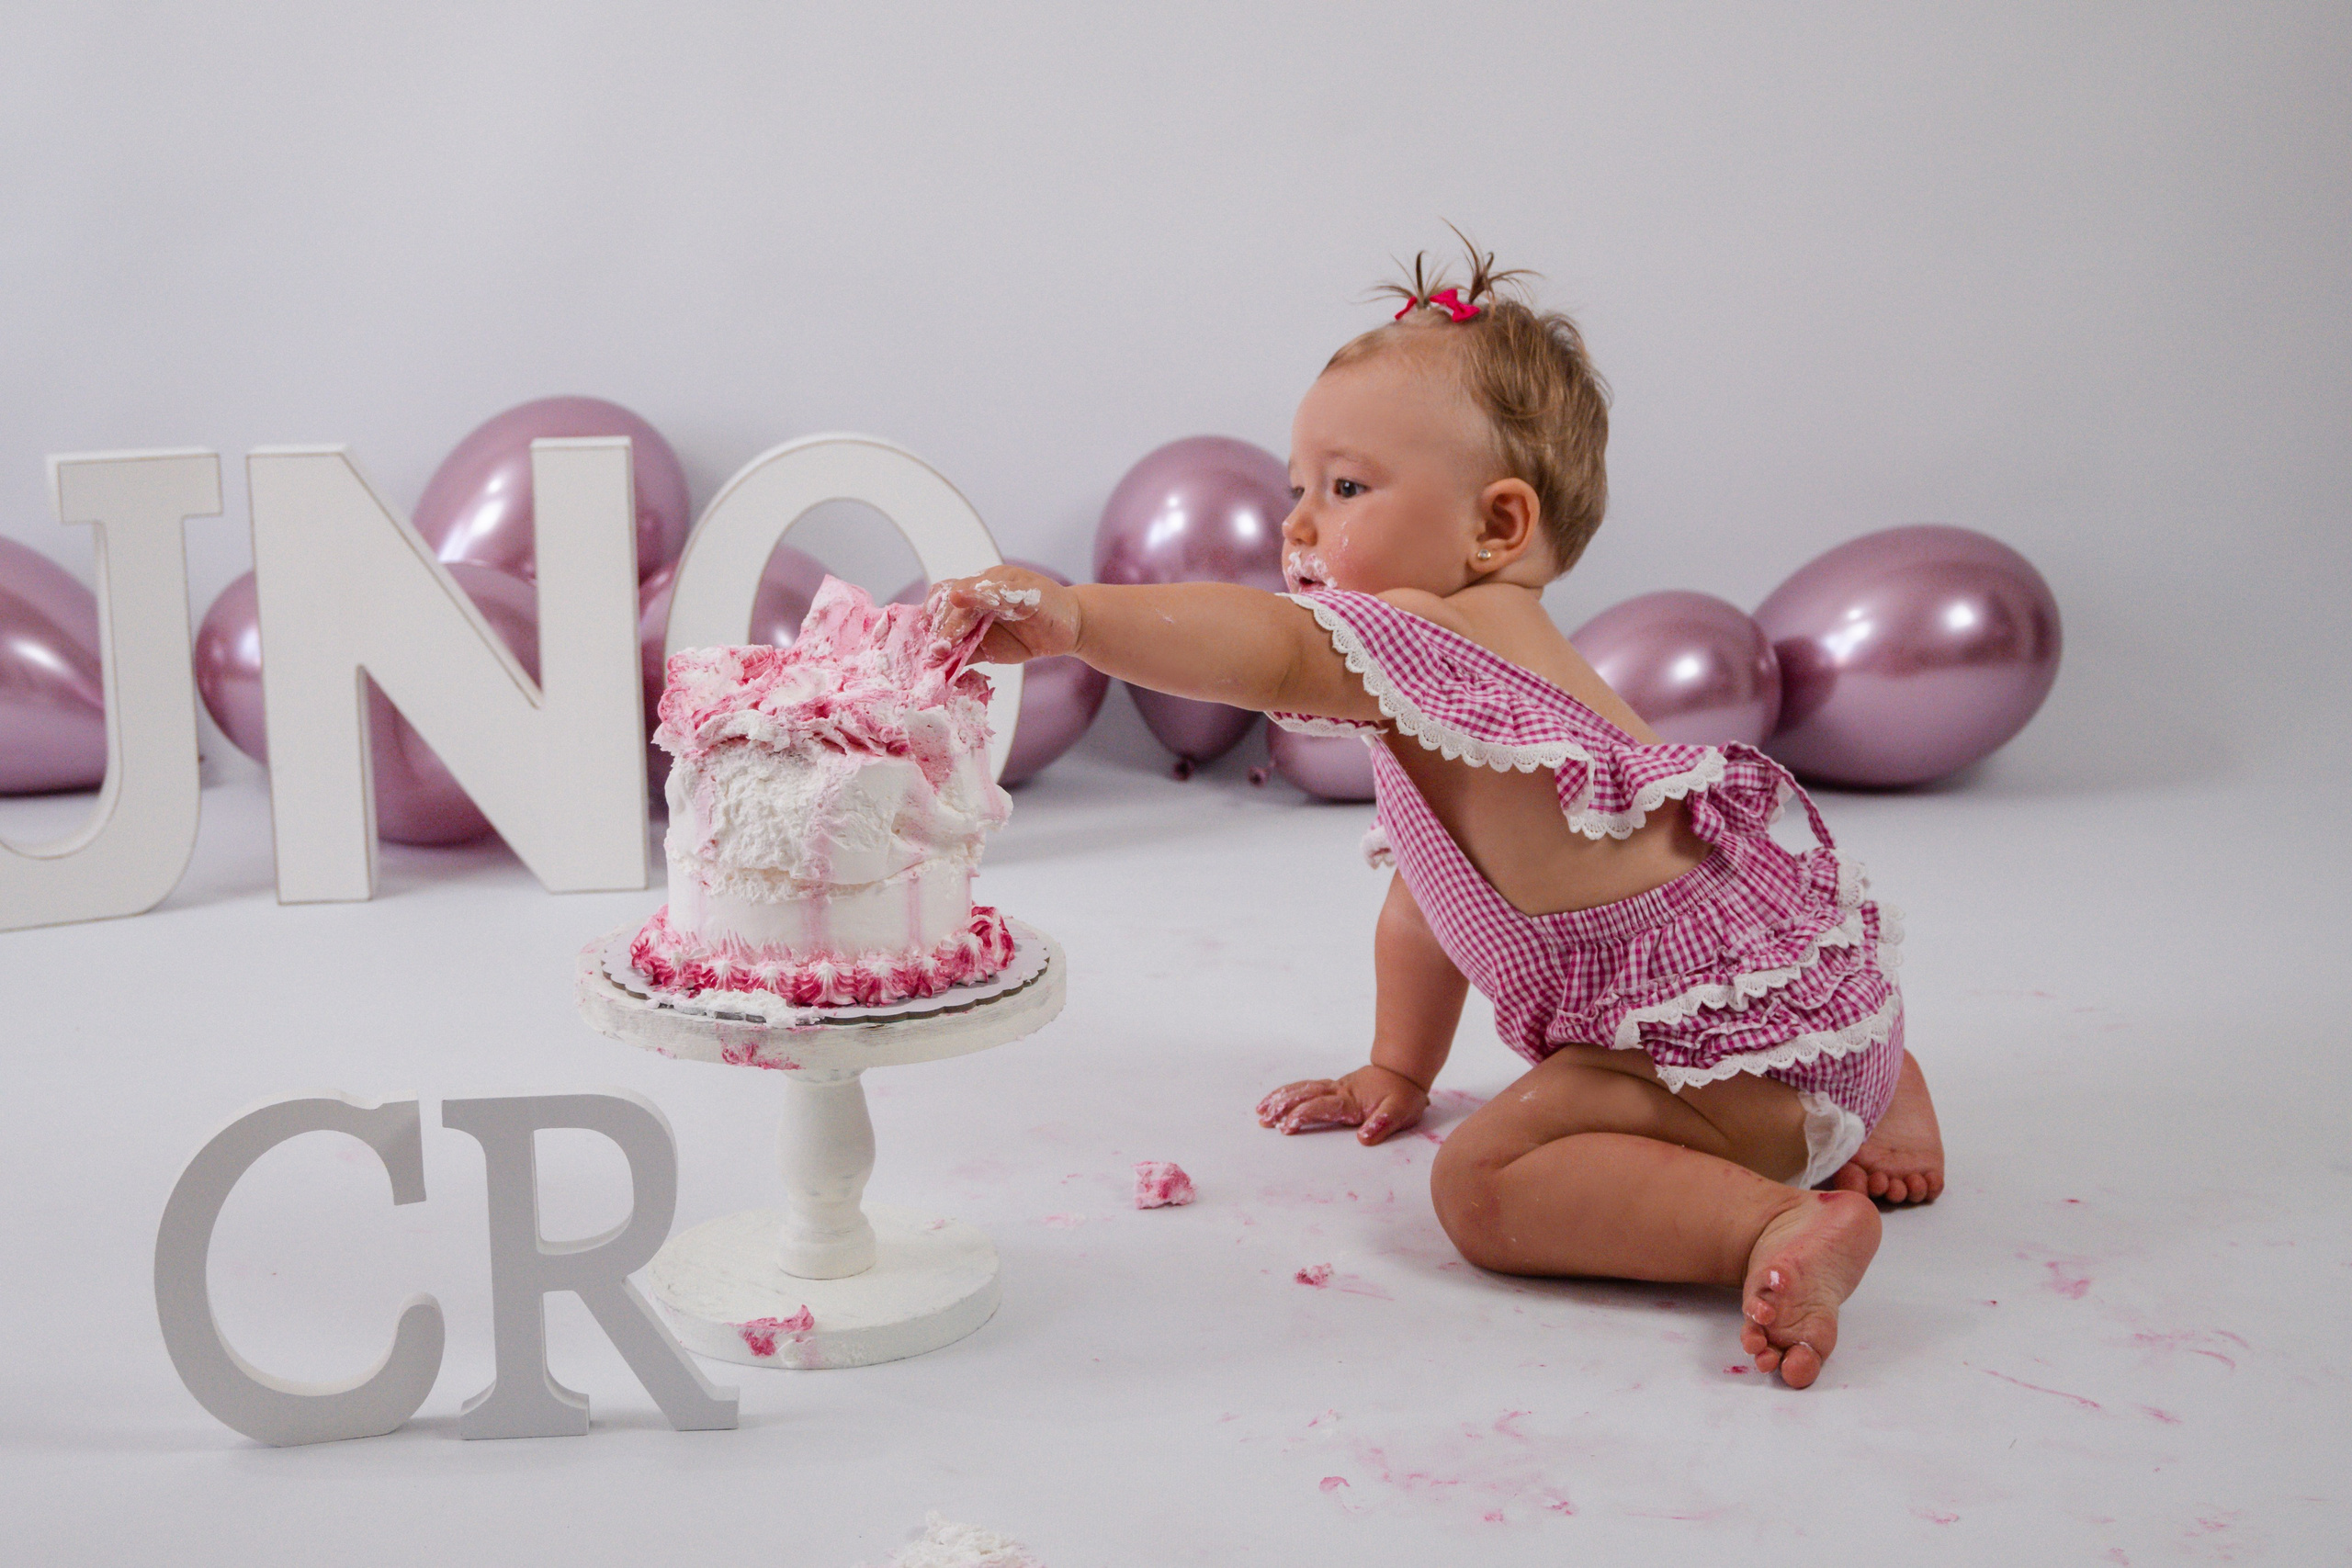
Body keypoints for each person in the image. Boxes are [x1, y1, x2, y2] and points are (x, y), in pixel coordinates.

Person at [930, 247, 1945, 1387]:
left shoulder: (1430, 629)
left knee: (1484, 1187)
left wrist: (1077, 615)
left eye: (1347, 489)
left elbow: (1266, 644)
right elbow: (1430, 902)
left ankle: (1765, 1223)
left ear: (1496, 527)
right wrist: (1394, 1071)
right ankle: (1880, 1080)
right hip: (1812, 1006)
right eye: (1296, 491)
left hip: (1703, 1068)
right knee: (1693, 1001)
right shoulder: (1474, 694)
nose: (1301, 530)